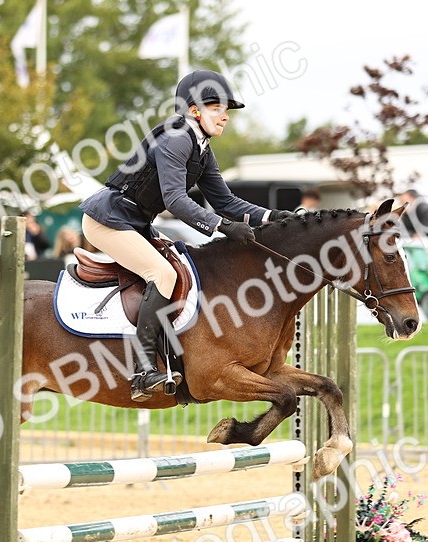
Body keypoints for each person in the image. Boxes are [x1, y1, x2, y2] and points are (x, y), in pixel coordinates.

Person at [79, 69, 292, 401]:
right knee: (162, 274)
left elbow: (225, 201)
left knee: (183, 266)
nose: (225, 116)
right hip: (108, 220)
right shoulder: (177, 139)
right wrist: (223, 227)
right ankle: (143, 371)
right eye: (217, 108)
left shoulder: (201, 147)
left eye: (226, 110)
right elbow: (176, 200)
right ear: (194, 110)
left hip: (135, 222)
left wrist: (272, 216)